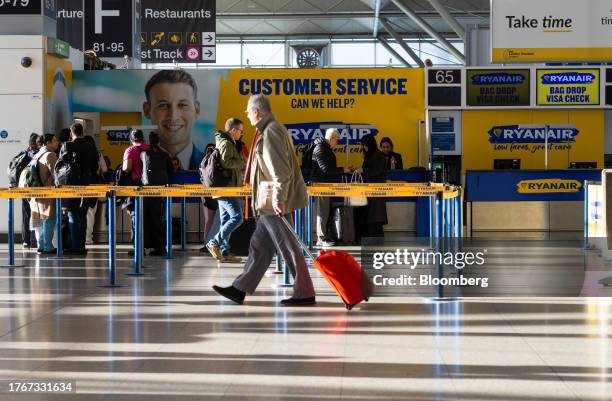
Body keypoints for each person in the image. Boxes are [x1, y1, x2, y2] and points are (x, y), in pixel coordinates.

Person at [213, 95, 315, 307]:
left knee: (289, 247)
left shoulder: (271, 132)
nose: (247, 114)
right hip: (267, 202)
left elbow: (281, 171)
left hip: (272, 202)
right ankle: (239, 288)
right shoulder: (269, 130)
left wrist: (278, 199)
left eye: (248, 111)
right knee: (259, 247)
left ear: (257, 112)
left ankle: (305, 292)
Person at [143, 70, 203, 170]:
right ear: (147, 110)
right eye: (163, 105)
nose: (173, 116)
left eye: (182, 105)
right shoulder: (138, 165)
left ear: (196, 109)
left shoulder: (209, 164)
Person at [206, 118, 247, 263]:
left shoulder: (231, 143)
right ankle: (214, 242)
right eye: (241, 131)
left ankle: (224, 252)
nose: (242, 134)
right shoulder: (226, 143)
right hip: (226, 188)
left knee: (225, 221)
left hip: (228, 188)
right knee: (237, 217)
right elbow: (227, 162)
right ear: (233, 130)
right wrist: (243, 161)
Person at [122, 129, 165, 256]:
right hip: (153, 188)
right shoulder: (152, 149)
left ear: (131, 139)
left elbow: (127, 168)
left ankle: (139, 248)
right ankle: (159, 247)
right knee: (155, 217)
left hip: (138, 187)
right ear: (143, 138)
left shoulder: (130, 150)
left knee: (137, 217)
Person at [310, 128, 352, 247]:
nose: (337, 143)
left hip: (325, 185)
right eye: (337, 140)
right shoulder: (321, 149)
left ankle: (324, 236)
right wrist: (343, 170)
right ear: (332, 138)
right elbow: (326, 169)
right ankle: (321, 238)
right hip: (321, 185)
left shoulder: (324, 148)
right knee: (322, 212)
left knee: (325, 211)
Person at [62, 123, 99, 255]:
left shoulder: (67, 146)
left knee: (72, 214)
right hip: (86, 184)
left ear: (71, 134)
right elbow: (95, 168)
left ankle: (74, 245)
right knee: (82, 215)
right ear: (82, 132)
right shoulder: (91, 147)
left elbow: (61, 168)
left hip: (71, 185)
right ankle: (81, 246)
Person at [29, 133, 59, 254]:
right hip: (48, 192)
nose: (57, 142)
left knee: (42, 220)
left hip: (37, 192)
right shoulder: (50, 155)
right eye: (54, 140)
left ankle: (41, 245)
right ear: (48, 143)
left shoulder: (37, 155)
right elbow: (56, 174)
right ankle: (48, 246)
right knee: (49, 219)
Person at [354, 134, 388, 238]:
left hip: (375, 192)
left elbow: (378, 170)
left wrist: (363, 170)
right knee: (370, 218)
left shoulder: (378, 155)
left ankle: (376, 244)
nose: (364, 147)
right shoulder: (371, 154)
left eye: (364, 145)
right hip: (369, 192)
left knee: (375, 219)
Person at [82, 135, 108, 245]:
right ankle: (88, 238)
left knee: (82, 211)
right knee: (91, 211)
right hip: (95, 183)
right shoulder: (97, 154)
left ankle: (82, 238)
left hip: (82, 183)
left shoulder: (82, 153)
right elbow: (104, 169)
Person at [21, 133, 40, 248]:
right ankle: (34, 239)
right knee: (36, 214)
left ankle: (26, 240)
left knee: (25, 215)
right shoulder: (38, 155)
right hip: (35, 188)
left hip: (24, 189)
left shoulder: (23, 154)